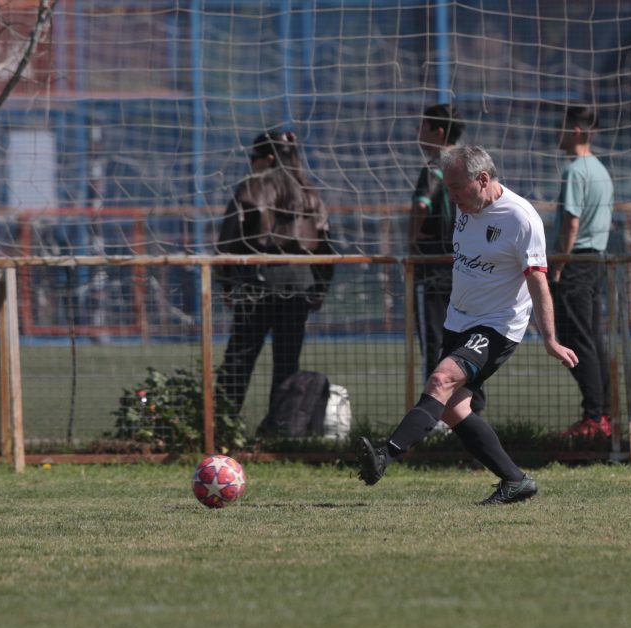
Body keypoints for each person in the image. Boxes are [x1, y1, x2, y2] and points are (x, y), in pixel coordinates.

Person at [357, 145, 578, 505]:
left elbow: (538, 281)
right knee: (455, 408)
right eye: (449, 187)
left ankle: (387, 454)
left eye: (457, 187)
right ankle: (515, 481)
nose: (452, 196)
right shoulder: (467, 208)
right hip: (458, 319)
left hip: (497, 326)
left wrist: (551, 339)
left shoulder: (521, 219)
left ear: (483, 179)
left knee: (441, 380)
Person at [215, 130, 334, 425]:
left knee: (239, 360)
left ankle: (221, 424)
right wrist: (320, 287)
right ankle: (281, 427)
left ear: (268, 157)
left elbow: (227, 241)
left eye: (253, 157)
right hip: (299, 284)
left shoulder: (252, 188)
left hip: (257, 282)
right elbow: (325, 246)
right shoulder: (310, 193)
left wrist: (226, 283)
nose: (251, 163)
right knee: (287, 362)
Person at [409, 104, 485, 415]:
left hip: (435, 264)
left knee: (435, 341)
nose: (419, 133)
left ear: (438, 132)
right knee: (470, 341)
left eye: (423, 126)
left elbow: (422, 205)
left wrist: (412, 239)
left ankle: (438, 416)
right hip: (468, 265)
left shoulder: (437, 166)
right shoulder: (472, 165)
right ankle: (472, 411)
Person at [551, 106, 614, 438]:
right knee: (591, 337)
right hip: (596, 261)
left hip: (576, 262)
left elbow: (571, 222)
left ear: (575, 130)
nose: (556, 133)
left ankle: (594, 416)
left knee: (577, 339)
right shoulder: (601, 171)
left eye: (561, 127)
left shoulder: (575, 171)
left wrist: (559, 264)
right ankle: (604, 413)